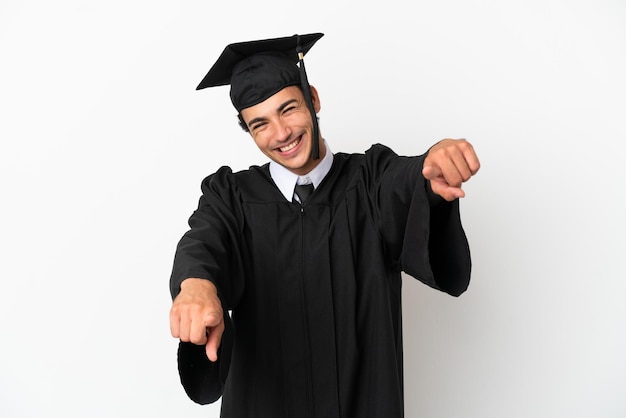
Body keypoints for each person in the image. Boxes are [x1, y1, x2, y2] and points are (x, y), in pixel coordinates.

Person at [169, 32, 480, 418]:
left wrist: (433, 167)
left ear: (313, 99)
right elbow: (204, 240)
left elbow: (408, 179)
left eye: (288, 109)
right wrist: (196, 284)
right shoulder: (233, 197)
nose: (281, 134)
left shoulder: (369, 182)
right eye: (260, 124)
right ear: (248, 131)